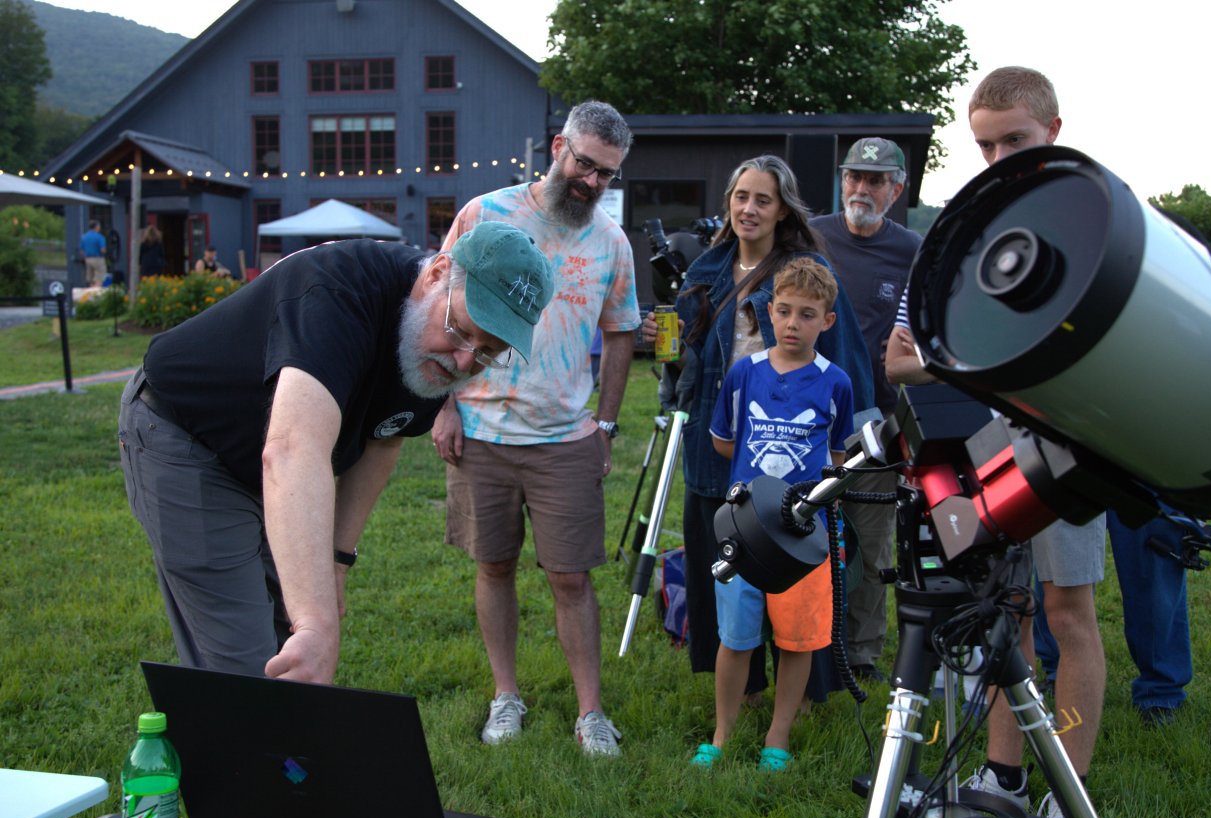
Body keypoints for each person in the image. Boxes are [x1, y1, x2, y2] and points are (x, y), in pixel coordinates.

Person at [119, 223, 553, 684]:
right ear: (437, 273)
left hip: (274, 460)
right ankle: (244, 750)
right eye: (462, 332)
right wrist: (317, 623)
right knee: (243, 664)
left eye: (489, 352)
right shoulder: (337, 291)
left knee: (290, 631)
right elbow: (292, 450)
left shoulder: (434, 345)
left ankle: (282, 752)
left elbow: (385, 437)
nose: (465, 362)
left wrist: (335, 561)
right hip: (189, 437)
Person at [885, 66, 1105, 818]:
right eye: (984, 145)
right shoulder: (956, 235)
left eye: (1014, 139)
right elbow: (900, 358)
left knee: (1067, 613)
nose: (1000, 156)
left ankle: (1066, 783)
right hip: (984, 446)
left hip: (1070, 445)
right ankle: (1002, 776)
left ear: (1052, 131)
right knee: (1001, 614)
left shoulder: (1093, 223)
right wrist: (980, 356)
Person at [429, 101, 639, 757]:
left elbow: (622, 331)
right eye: (584, 164)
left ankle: (591, 713)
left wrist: (605, 422)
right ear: (558, 147)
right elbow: (436, 303)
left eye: (606, 173)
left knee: (571, 578)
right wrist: (442, 404)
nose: (592, 182)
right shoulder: (484, 215)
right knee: (494, 566)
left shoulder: (611, 242)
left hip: (564, 440)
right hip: (481, 431)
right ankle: (505, 696)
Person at [642, 154, 876, 703]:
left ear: (781, 209)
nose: (749, 208)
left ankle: (802, 689)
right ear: (729, 203)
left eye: (762, 199)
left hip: (796, 450)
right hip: (716, 443)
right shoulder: (704, 271)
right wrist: (664, 344)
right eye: (741, 197)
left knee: (796, 568)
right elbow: (685, 363)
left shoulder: (806, 276)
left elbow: (847, 364)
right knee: (728, 568)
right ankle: (741, 688)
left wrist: (856, 447)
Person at [692, 257, 856, 771]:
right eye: (783, 311)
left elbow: (838, 458)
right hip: (744, 529)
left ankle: (777, 737)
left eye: (807, 315)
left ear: (827, 321)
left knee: (797, 639)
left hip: (805, 534)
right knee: (736, 637)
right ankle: (721, 733)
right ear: (768, 312)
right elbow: (723, 441)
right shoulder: (746, 373)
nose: (792, 324)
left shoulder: (837, 384)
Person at [810, 137, 922, 683]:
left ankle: (862, 654)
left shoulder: (913, 251)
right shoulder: (811, 236)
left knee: (869, 539)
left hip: (875, 418)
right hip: (805, 411)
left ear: (896, 189)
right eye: (854, 176)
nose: (862, 188)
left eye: (875, 180)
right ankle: (803, 644)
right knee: (804, 526)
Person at [80, 219, 108, 285]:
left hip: (88, 259)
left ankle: (91, 291)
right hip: (97, 258)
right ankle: (97, 292)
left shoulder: (84, 237)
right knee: (99, 277)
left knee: (91, 278)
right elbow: (103, 250)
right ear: (96, 227)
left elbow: (81, 250)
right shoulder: (100, 237)